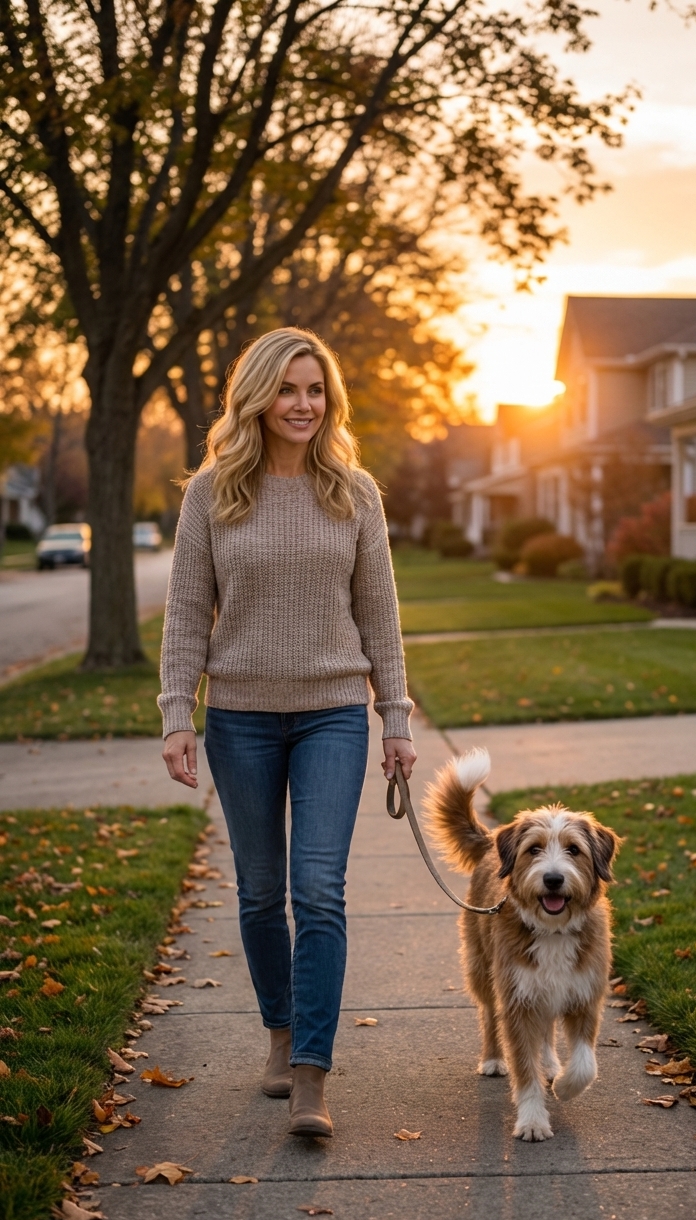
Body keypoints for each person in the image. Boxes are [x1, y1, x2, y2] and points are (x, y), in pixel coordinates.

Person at [158, 328, 416, 1138]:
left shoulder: (354, 491)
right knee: (262, 893)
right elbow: (186, 610)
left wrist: (395, 718)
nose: (303, 405)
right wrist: (177, 713)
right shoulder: (212, 492)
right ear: (259, 397)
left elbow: (379, 612)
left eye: (315, 391)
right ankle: (278, 1031)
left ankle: (311, 1073)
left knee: (318, 890)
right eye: (288, 389)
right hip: (239, 719)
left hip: (332, 713)